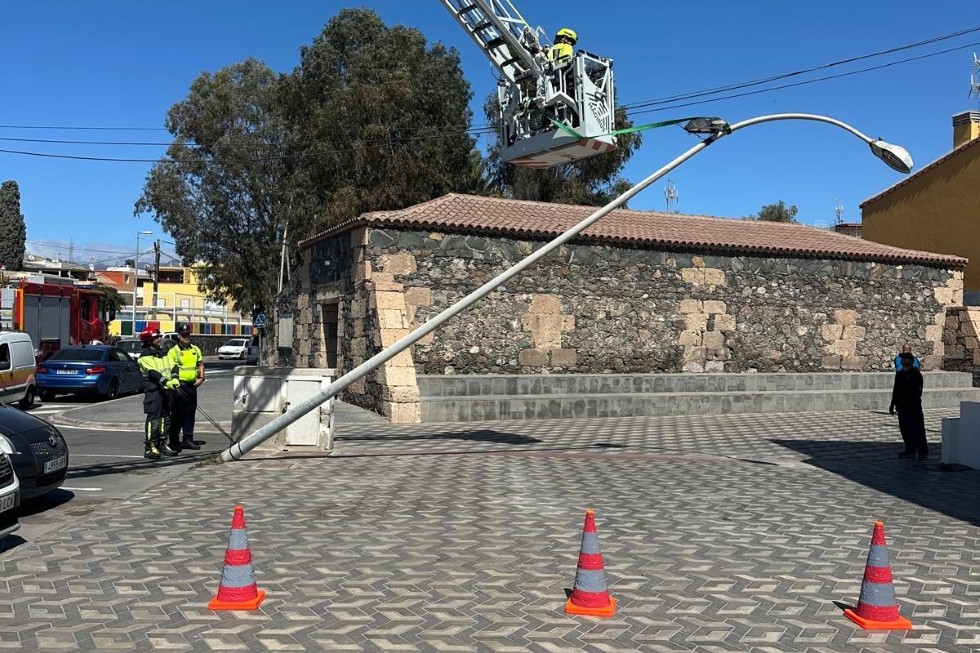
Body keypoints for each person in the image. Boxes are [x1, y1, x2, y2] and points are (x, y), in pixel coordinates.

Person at [137, 328, 179, 460]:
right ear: (148, 341)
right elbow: (153, 373)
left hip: (166, 389)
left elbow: (173, 365)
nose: (159, 339)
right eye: (156, 338)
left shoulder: (163, 352)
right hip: (154, 391)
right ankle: (150, 447)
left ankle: (162, 444)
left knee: (165, 418)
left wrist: (175, 378)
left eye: (159, 337)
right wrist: (166, 382)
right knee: (154, 419)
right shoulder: (145, 355)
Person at [167, 322, 206, 451]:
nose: (187, 337)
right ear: (179, 336)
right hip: (179, 387)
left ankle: (188, 439)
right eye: (184, 335)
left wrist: (201, 378)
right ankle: (173, 441)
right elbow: (170, 368)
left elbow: (200, 364)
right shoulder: (173, 351)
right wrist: (174, 386)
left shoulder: (195, 349)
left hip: (191, 386)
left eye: (188, 334)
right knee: (177, 415)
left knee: (190, 413)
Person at [890, 352, 928, 459]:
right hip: (901, 407)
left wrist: (911, 403)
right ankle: (909, 450)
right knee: (905, 429)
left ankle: (922, 451)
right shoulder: (899, 374)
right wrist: (892, 404)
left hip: (913, 407)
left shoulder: (916, 375)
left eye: (906, 359)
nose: (904, 360)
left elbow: (918, 392)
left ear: (911, 361)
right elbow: (896, 390)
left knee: (917, 429)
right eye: (903, 359)